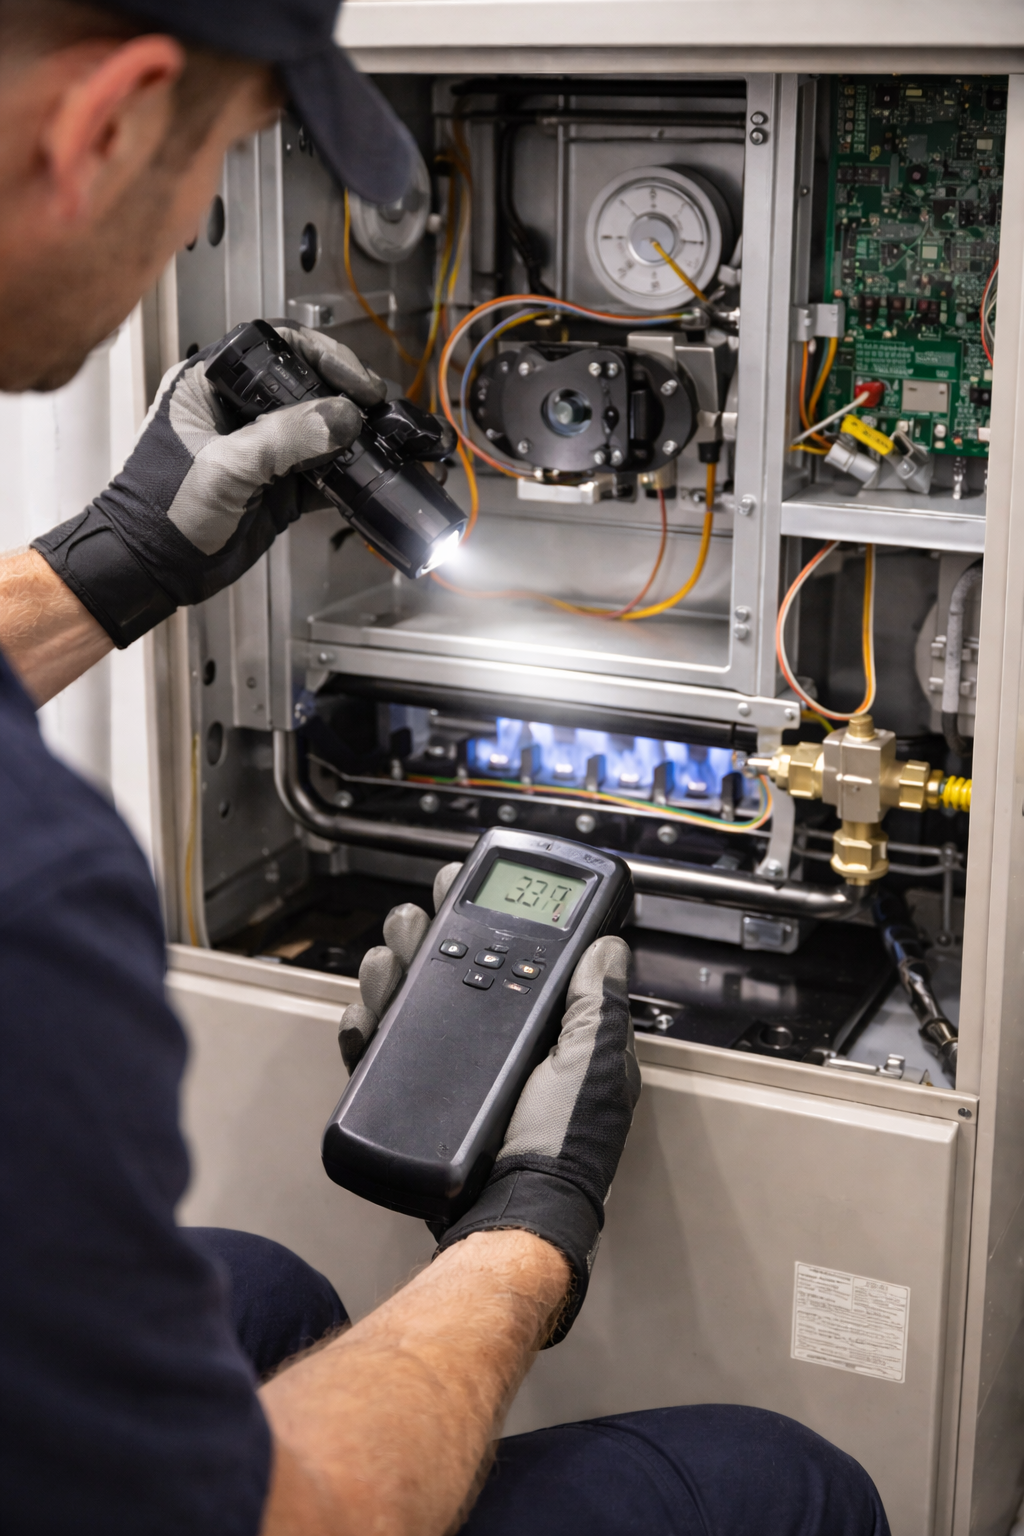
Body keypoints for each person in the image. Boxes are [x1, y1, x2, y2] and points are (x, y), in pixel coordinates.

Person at [0, 2, 893, 1532]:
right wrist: (524, 1233)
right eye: (217, 164)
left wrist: (109, 563)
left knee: (267, 1284)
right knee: (788, 1481)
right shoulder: (39, 887)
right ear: (108, 127)